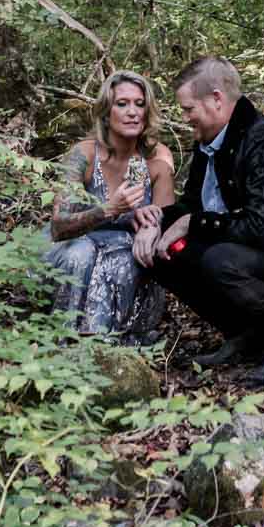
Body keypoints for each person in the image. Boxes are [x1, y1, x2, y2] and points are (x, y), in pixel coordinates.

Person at [136, 56, 264, 386]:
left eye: (189, 108)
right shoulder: (210, 145)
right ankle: (244, 333)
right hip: (258, 254)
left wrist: (192, 223)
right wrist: (155, 220)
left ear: (217, 99)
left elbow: (262, 229)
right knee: (162, 254)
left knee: (221, 260)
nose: (185, 117)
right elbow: (193, 205)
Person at [46, 70, 175, 339]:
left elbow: (168, 218)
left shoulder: (155, 157)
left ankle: (115, 345)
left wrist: (152, 226)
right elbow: (58, 227)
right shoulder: (84, 154)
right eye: (122, 104)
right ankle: (64, 339)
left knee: (131, 258)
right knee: (80, 253)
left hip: (121, 253)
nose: (132, 112)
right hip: (74, 249)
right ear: (106, 112)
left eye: (140, 104)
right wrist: (109, 209)